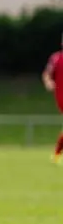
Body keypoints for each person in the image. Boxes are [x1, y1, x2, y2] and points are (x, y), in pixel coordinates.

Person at [43, 34, 63, 163]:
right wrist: (48, 82)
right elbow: (46, 74)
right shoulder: (56, 58)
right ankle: (57, 153)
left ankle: (56, 154)